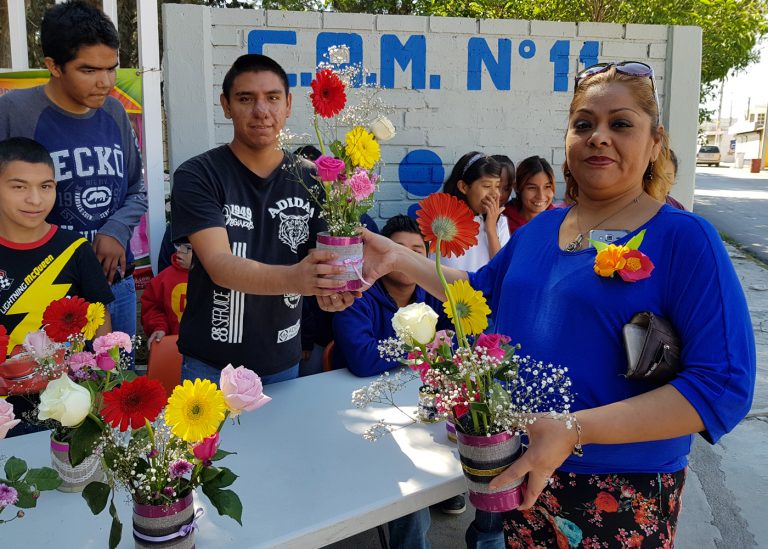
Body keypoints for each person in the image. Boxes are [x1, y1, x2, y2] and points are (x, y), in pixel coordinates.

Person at [361, 60, 755, 547]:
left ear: (656, 142)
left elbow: (723, 386)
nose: (598, 137)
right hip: (522, 471)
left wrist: (572, 429)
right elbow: (483, 294)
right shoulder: (541, 229)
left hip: (620, 491)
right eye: (584, 124)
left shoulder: (685, 239)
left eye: (621, 123)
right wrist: (400, 257)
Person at [170, 53, 355, 385]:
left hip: (283, 360)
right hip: (211, 366)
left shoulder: (312, 179)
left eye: (272, 98)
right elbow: (219, 265)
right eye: (246, 98)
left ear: (288, 104)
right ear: (226, 105)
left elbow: (322, 258)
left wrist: (333, 287)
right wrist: (300, 280)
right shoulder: (198, 174)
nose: (261, 111)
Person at [0, 1, 147, 344]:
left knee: (112, 383)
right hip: (38, 284)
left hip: (113, 283)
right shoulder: (14, 111)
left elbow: (136, 187)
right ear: (53, 66)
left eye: (111, 68)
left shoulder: (114, 111)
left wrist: (115, 229)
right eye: (89, 70)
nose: (105, 82)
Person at [333, 214, 453, 548]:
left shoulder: (433, 293)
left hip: (423, 404)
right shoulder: (357, 293)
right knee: (411, 496)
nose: (407, 258)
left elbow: (459, 337)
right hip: (366, 409)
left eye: (417, 251)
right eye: (397, 250)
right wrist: (425, 344)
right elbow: (362, 358)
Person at [0, 137, 114, 434]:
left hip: (66, 406)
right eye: (19, 187)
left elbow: (100, 319)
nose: (35, 199)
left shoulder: (75, 247)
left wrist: (99, 384)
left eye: (46, 186)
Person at [440, 152, 510, 271]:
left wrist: (491, 229)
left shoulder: (500, 223)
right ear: (464, 187)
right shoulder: (441, 220)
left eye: (497, 186)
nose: (495, 194)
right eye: (487, 186)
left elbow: (501, 270)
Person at [140, 243, 191, 345]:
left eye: (188, 248)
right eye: (178, 245)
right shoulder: (163, 278)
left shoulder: (216, 278)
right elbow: (152, 308)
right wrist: (159, 327)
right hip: (171, 348)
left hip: (205, 353)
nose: (180, 250)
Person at [502, 156, 558, 234]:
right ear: (517, 187)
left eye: (547, 187)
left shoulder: (560, 220)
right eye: (532, 188)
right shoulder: (503, 219)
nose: (541, 196)